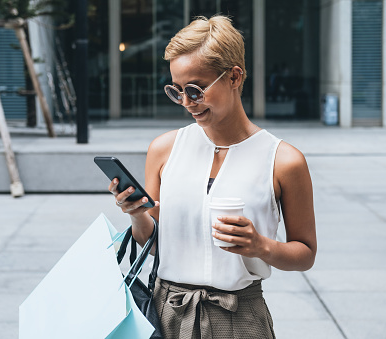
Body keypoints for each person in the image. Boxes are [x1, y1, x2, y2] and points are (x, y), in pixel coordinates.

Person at [108, 15, 317, 339]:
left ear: (234, 76)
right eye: (177, 91)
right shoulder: (164, 149)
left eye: (196, 89)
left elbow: (305, 254)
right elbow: (153, 243)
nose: (187, 103)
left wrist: (260, 246)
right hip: (167, 314)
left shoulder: (284, 161)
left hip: (241, 316)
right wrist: (137, 215)